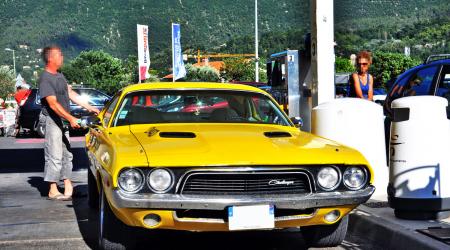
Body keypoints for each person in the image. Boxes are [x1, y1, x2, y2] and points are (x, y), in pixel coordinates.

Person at [39, 46, 99, 200]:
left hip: (62, 119)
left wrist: (89, 107)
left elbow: (71, 94)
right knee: (54, 154)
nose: (62, 57)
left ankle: (68, 187)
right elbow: (52, 104)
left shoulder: (59, 75)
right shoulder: (45, 78)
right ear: (51, 58)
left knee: (67, 154)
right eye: (60, 55)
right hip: (53, 119)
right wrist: (71, 118)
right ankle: (53, 189)